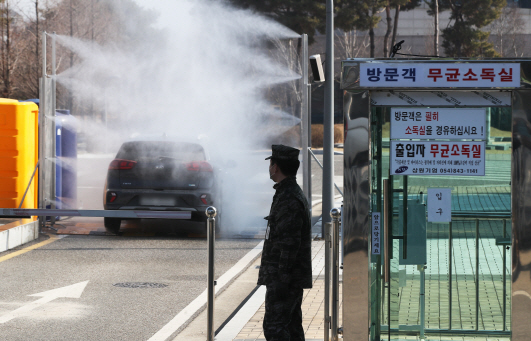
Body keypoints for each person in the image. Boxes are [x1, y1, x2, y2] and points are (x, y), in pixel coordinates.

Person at [257, 144, 312, 341]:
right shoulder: (286, 192)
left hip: (285, 278)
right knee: (292, 327)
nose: (270, 168)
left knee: (275, 328)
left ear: (276, 167)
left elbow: (290, 243)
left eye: (271, 163)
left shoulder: (289, 198)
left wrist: (282, 278)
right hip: (288, 277)